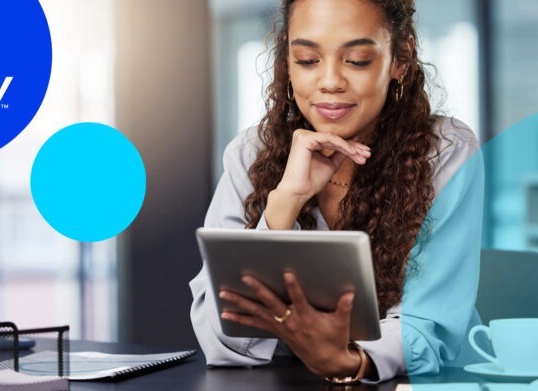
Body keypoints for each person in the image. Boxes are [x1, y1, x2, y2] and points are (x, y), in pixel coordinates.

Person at [190, 0, 484, 383]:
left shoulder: (445, 152)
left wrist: (350, 362)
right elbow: (220, 338)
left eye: (358, 60)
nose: (329, 81)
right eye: (308, 60)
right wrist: (284, 204)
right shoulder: (250, 153)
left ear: (401, 58)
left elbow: (429, 324)